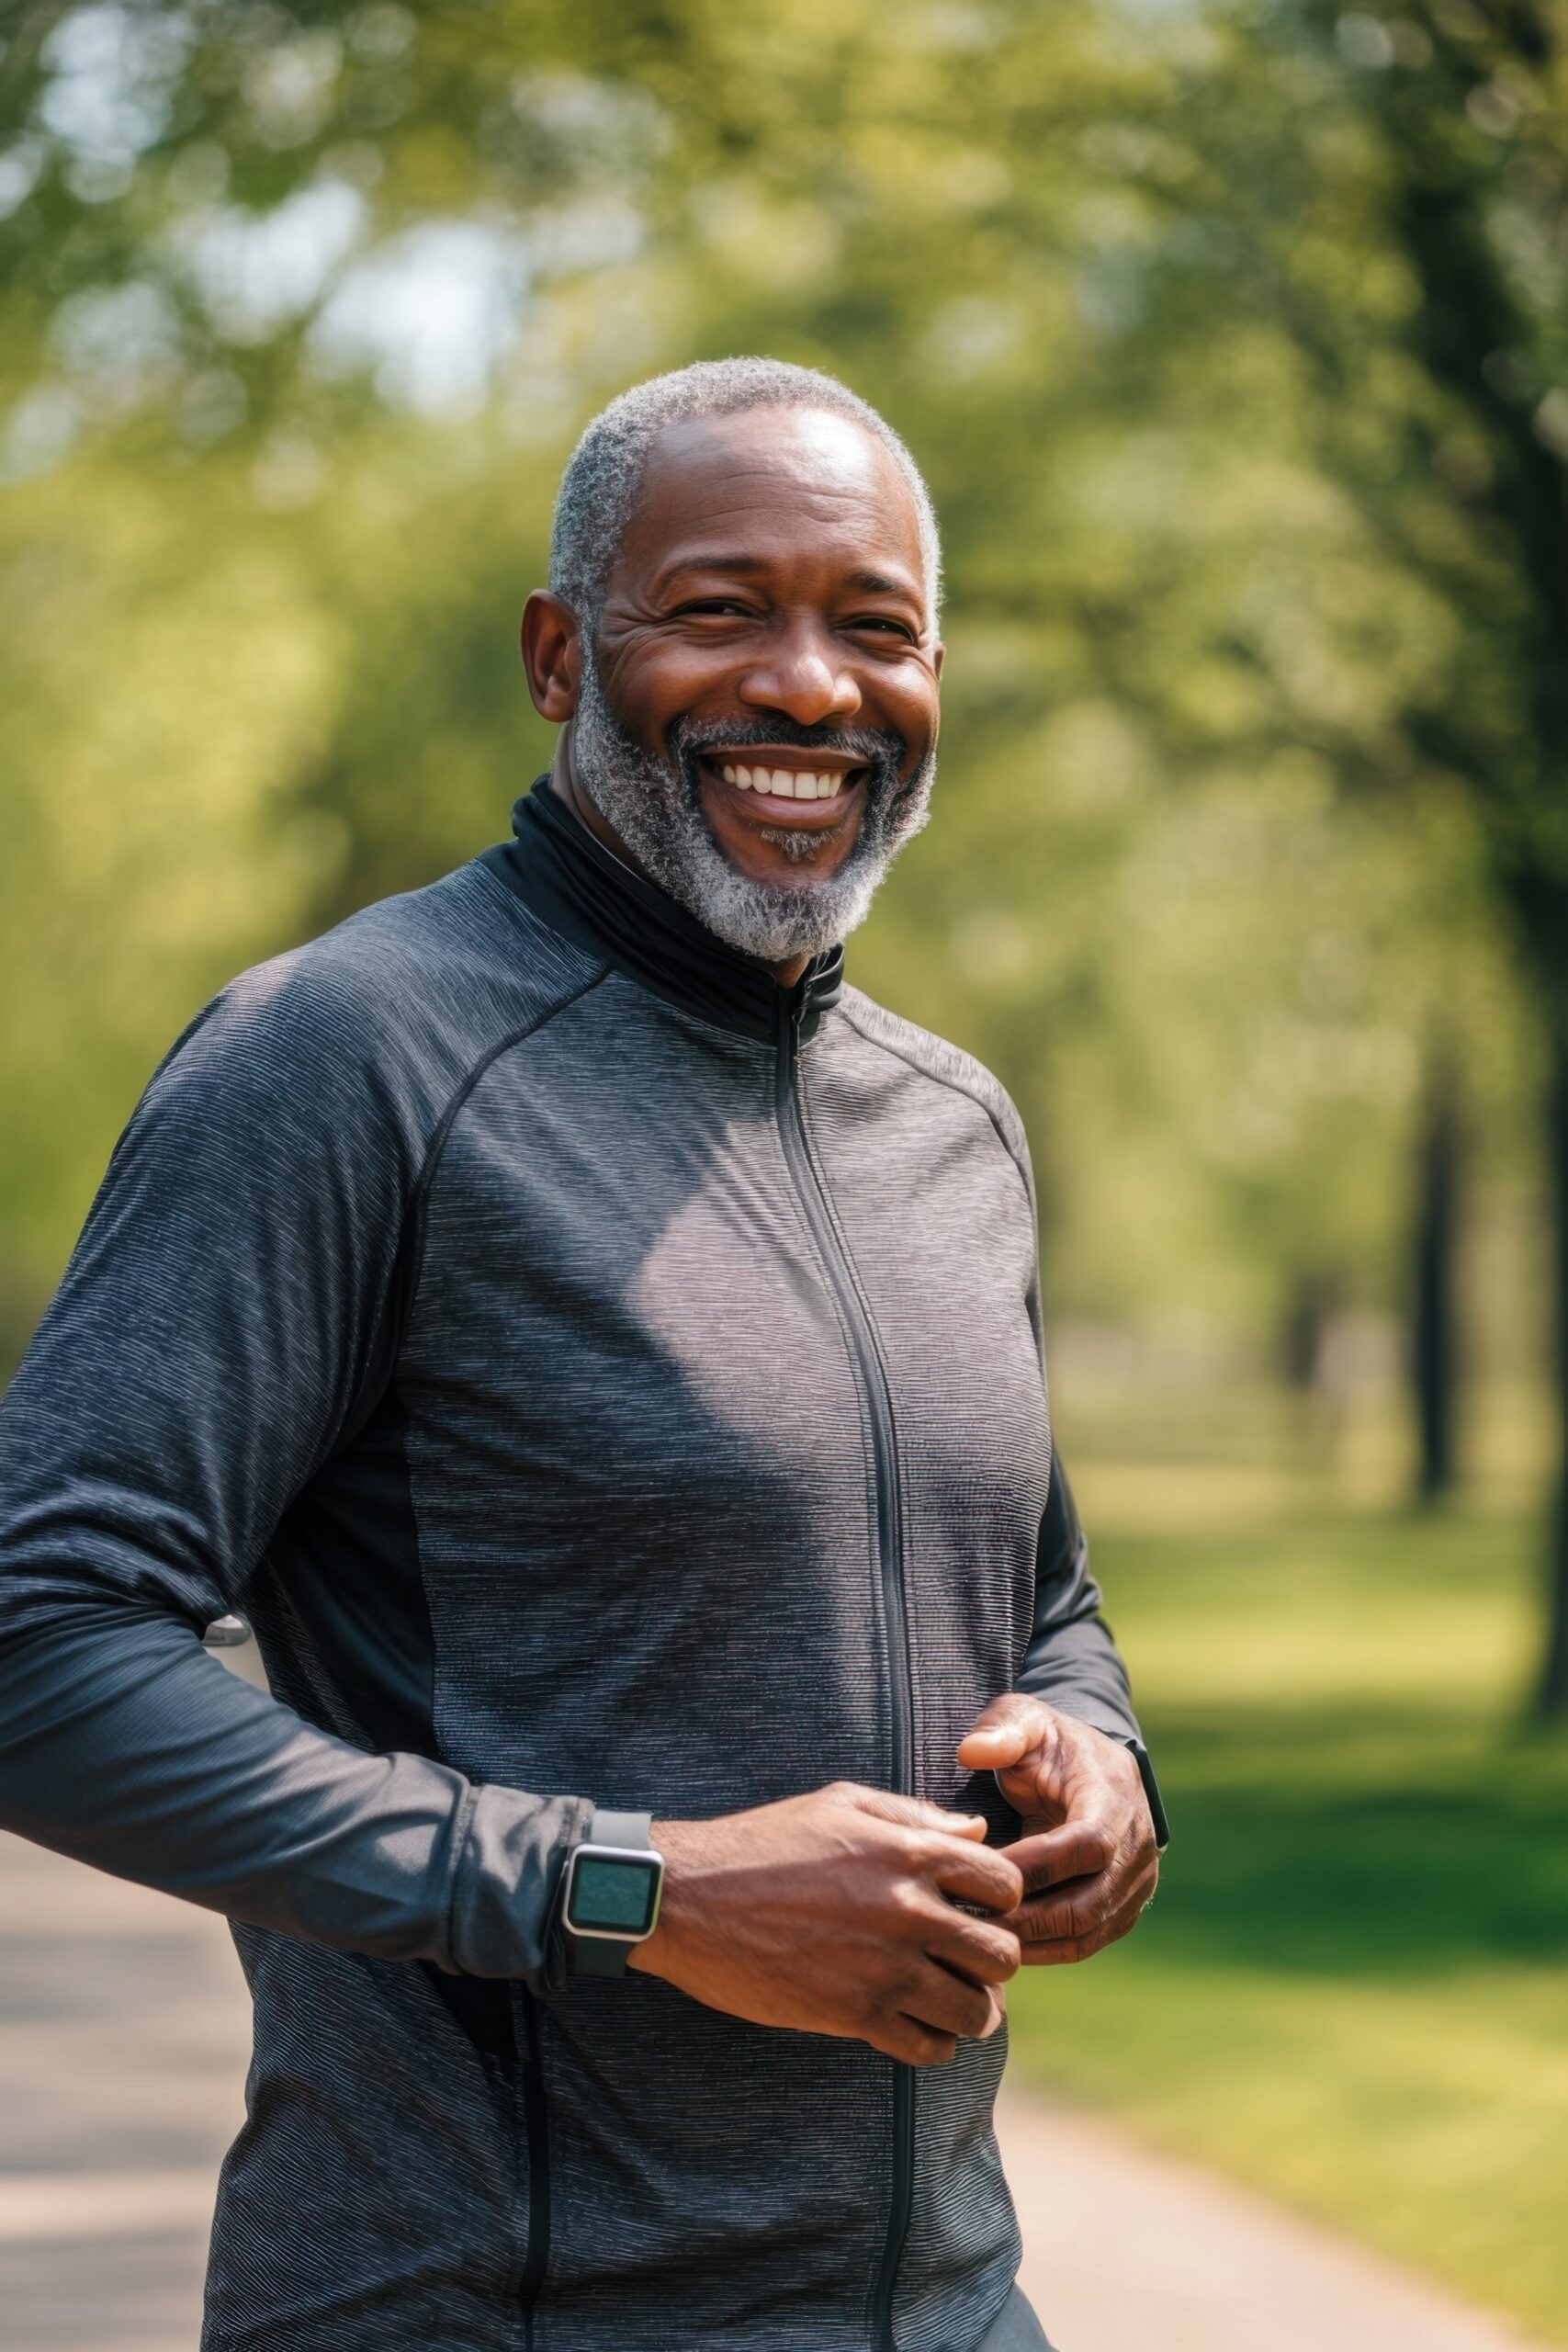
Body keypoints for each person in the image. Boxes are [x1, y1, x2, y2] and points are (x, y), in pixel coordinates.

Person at [0, 358, 1166, 2352]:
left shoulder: (952, 1127)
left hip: (950, 2309)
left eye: (876, 627)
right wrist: (641, 1890)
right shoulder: (344, 1058)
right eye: (719, 610)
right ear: (559, 657)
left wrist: (1099, 1756)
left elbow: (1042, 1597)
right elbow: (39, 1642)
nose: (809, 685)